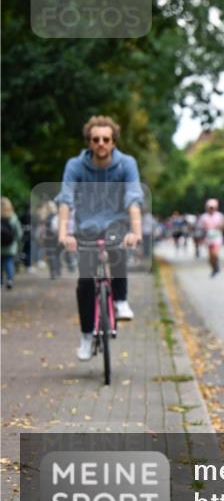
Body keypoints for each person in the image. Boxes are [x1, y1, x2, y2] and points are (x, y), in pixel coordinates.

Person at [56, 115, 144, 360]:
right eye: (96, 139)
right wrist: (64, 233)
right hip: (87, 227)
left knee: (117, 251)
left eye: (106, 139)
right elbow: (66, 199)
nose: (101, 143)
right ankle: (86, 335)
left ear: (114, 142)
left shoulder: (127, 164)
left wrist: (136, 233)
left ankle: (121, 301)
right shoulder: (75, 165)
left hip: (117, 223)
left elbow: (133, 197)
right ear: (89, 142)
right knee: (85, 281)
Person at [197, 199, 224, 277]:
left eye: (212, 208)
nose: (211, 209)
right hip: (208, 237)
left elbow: (223, 225)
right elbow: (200, 226)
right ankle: (214, 267)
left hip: (217, 236)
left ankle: (216, 264)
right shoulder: (204, 217)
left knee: (214, 253)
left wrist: (219, 226)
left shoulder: (219, 215)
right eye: (210, 208)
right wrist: (205, 228)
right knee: (210, 257)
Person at [1, 197, 24, 290]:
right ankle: (10, 280)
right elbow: (19, 233)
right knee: (9, 262)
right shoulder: (13, 216)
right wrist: (16, 241)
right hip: (10, 246)